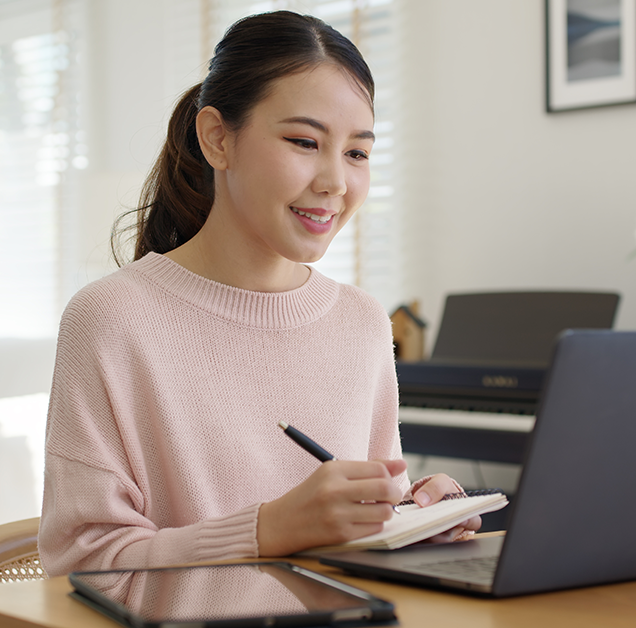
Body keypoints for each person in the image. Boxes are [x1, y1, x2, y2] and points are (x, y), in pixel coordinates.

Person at [39, 10, 479, 576]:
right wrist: (268, 530)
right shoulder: (111, 319)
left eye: (357, 153)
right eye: (304, 141)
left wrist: (416, 519)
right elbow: (82, 567)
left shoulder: (362, 322)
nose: (335, 183)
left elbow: (365, 537)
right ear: (217, 138)